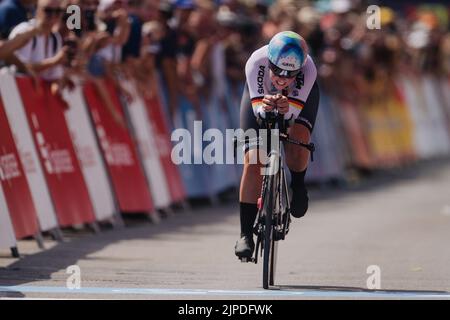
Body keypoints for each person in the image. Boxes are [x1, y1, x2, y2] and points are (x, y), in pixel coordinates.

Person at [235, 31, 320, 258]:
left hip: (299, 99)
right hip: (260, 99)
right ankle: (245, 234)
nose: (282, 78)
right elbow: (258, 113)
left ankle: (298, 184)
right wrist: (267, 106)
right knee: (254, 158)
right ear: (269, 62)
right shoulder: (256, 61)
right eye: (277, 70)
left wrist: (286, 108)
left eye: (290, 74)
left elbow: (290, 117)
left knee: (298, 136)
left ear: (299, 69)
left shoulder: (308, 68)